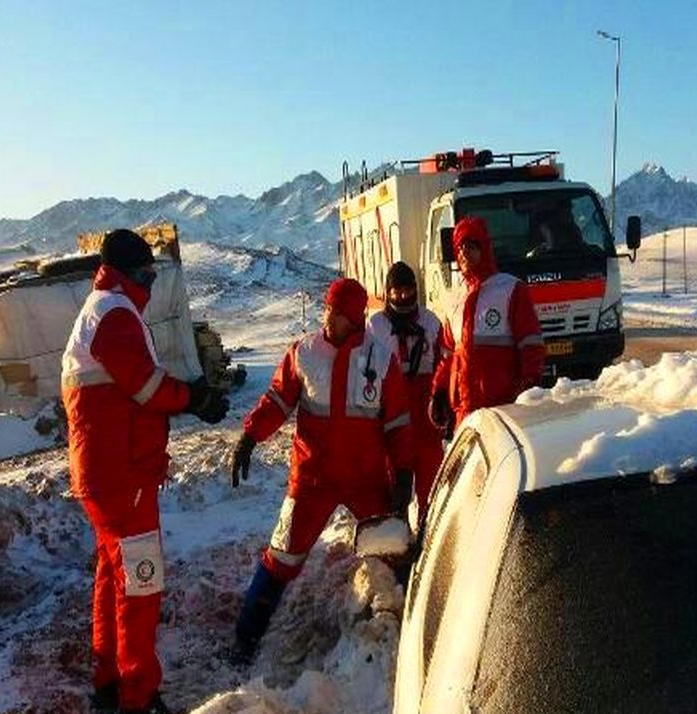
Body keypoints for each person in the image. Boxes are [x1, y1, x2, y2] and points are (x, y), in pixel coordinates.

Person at [61, 228, 228, 714]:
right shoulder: (113, 312)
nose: (152, 284)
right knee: (142, 583)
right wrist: (193, 398)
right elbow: (145, 386)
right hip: (121, 475)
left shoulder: (105, 309)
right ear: (129, 272)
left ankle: (109, 680)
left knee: (114, 577)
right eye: (148, 274)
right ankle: (138, 697)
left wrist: (188, 393)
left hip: (108, 474)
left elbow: (133, 384)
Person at [228, 277, 413, 663]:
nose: (329, 318)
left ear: (355, 317)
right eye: (328, 309)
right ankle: (245, 639)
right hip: (313, 480)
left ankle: (411, 625)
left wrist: (404, 473)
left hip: (366, 479)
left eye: (338, 313)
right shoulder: (304, 353)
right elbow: (277, 401)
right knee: (281, 558)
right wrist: (249, 437)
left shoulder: (380, 359)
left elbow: (396, 422)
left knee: (393, 551)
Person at [430, 216, 545, 431]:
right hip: (464, 415)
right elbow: (448, 355)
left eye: (472, 246)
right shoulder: (455, 297)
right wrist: (440, 391)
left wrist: (527, 388)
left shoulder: (510, 290)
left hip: (502, 411)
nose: (465, 252)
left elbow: (531, 347)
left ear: (485, 249)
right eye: (461, 247)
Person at [366, 261, 444, 528]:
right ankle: (395, 541)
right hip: (391, 424)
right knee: (393, 492)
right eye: (396, 291)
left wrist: (443, 398)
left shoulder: (431, 322)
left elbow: (444, 367)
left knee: (432, 493)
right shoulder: (375, 326)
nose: (402, 296)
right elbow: (364, 372)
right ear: (387, 293)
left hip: (426, 424)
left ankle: (428, 537)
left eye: (407, 289)